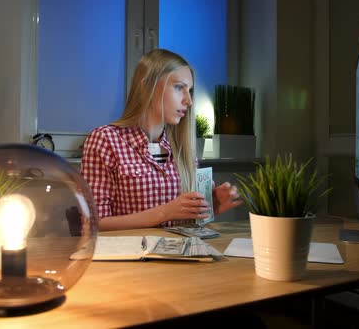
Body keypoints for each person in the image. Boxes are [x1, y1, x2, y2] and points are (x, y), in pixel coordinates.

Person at [81, 49, 243, 231]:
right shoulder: (105, 140)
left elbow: (185, 224)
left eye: (189, 90)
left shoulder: (183, 148)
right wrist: (165, 212)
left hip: (180, 255)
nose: (188, 100)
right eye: (179, 87)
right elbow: (93, 224)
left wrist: (209, 207)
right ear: (147, 86)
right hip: (133, 257)